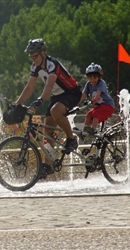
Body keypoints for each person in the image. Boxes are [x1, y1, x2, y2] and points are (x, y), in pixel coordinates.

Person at [15, 38, 82, 176]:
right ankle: (48, 164)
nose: (33, 59)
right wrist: (17, 104)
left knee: (55, 110)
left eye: (35, 55)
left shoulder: (52, 64)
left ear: (43, 53)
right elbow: (29, 87)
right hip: (57, 97)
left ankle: (71, 139)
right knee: (47, 129)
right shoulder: (35, 67)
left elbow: (49, 85)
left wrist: (40, 100)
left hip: (71, 93)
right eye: (30, 56)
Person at [79, 62, 114, 135]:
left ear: (99, 77)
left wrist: (94, 99)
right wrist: (77, 101)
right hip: (99, 107)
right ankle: (85, 131)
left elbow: (98, 93)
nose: (92, 80)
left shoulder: (101, 83)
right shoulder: (88, 84)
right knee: (88, 114)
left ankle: (93, 129)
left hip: (108, 106)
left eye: (95, 78)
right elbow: (84, 94)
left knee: (96, 113)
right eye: (90, 78)